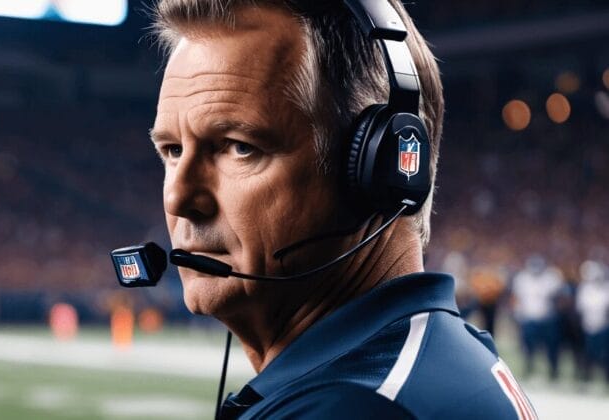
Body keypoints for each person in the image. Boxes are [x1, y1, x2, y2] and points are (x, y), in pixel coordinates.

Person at [148, 0, 535, 418]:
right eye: (172, 150)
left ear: (381, 169)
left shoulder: (352, 406)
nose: (179, 198)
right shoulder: (432, 358)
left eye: (240, 148)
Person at [510, 254, 565, 380]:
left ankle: (553, 371)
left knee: (551, 348)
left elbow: (559, 298)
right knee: (528, 347)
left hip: (547, 319)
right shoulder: (522, 278)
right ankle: (528, 368)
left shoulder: (551, 277)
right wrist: (517, 314)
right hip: (528, 318)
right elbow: (517, 299)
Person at [576, 259, 609, 382]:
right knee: (589, 354)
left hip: (603, 327)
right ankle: (588, 378)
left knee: (605, 355)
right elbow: (581, 309)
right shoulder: (585, 289)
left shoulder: (606, 288)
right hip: (589, 326)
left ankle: (606, 379)